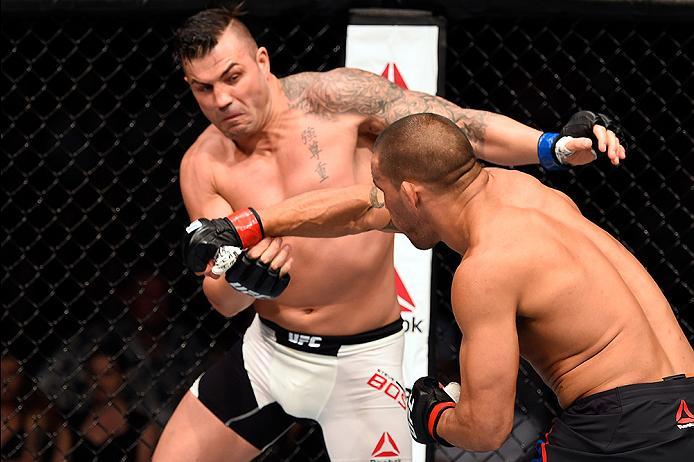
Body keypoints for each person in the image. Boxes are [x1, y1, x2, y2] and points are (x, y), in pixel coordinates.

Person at [156, 5, 626, 462]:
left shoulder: (334, 99)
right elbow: (220, 296)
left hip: (364, 363)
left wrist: (553, 147)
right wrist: (243, 281)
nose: (221, 99)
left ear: (262, 60)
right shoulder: (202, 165)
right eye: (203, 88)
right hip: (268, 355)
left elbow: (459, 128)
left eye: (232, 77)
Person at [322, 112, 691, 459]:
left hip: (620, 424)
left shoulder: (484, 270)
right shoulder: (529, 192)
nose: (382, 203)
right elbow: (363, 215)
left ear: (412, 194)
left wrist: (432, 417)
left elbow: (486, 429)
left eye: (381, 189)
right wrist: (265, 224)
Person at [52, 351, 158, 462]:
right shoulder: (70, 424)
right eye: (94, 375)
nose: (99, 382)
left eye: (107, 374)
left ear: (122, 377)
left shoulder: (142, 427)